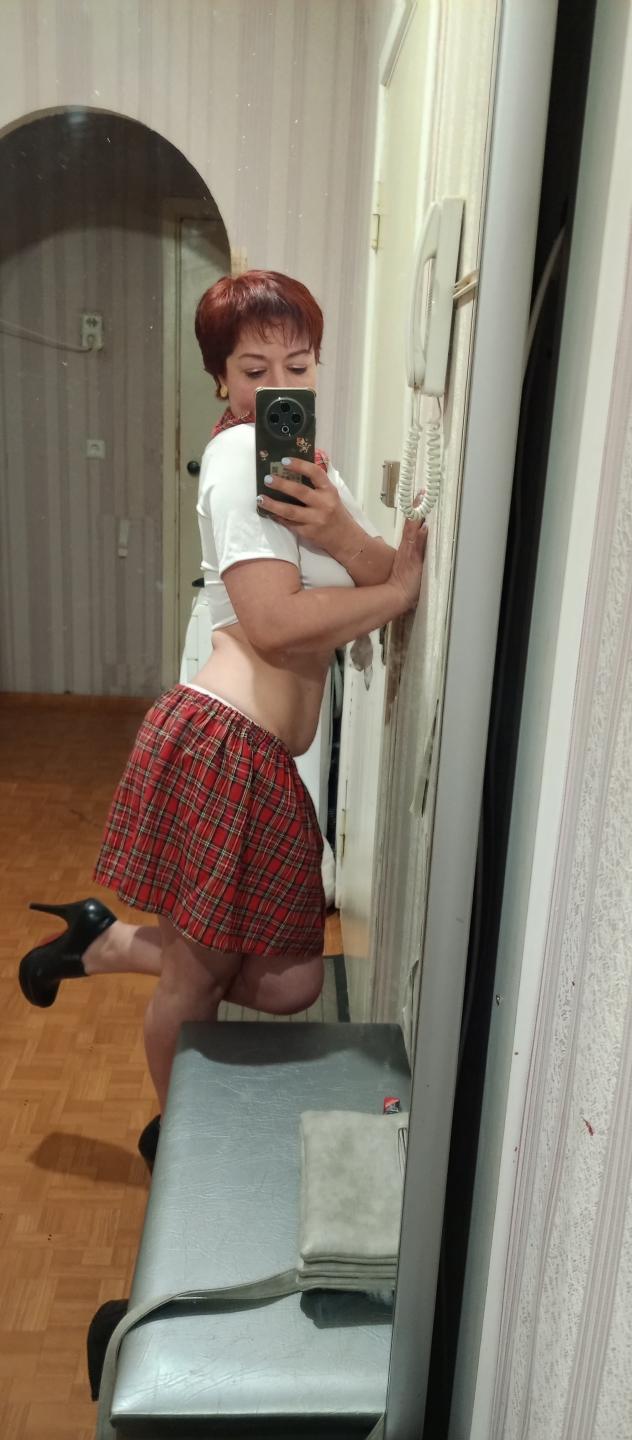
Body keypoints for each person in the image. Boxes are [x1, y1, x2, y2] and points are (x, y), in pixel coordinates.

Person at [18, 270, 426, 1166]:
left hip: (259, 757)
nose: (278, 386)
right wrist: (394, 596)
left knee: (290, 980)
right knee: (199, 979)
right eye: (253, 369)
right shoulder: (243, 457)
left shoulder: (309, 469)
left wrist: (349, 541)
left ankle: (102, 939)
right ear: (220, 381)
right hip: (223, 746)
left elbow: (376, 570)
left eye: (299, 364)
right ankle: (182, 1146)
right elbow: (276, 622)